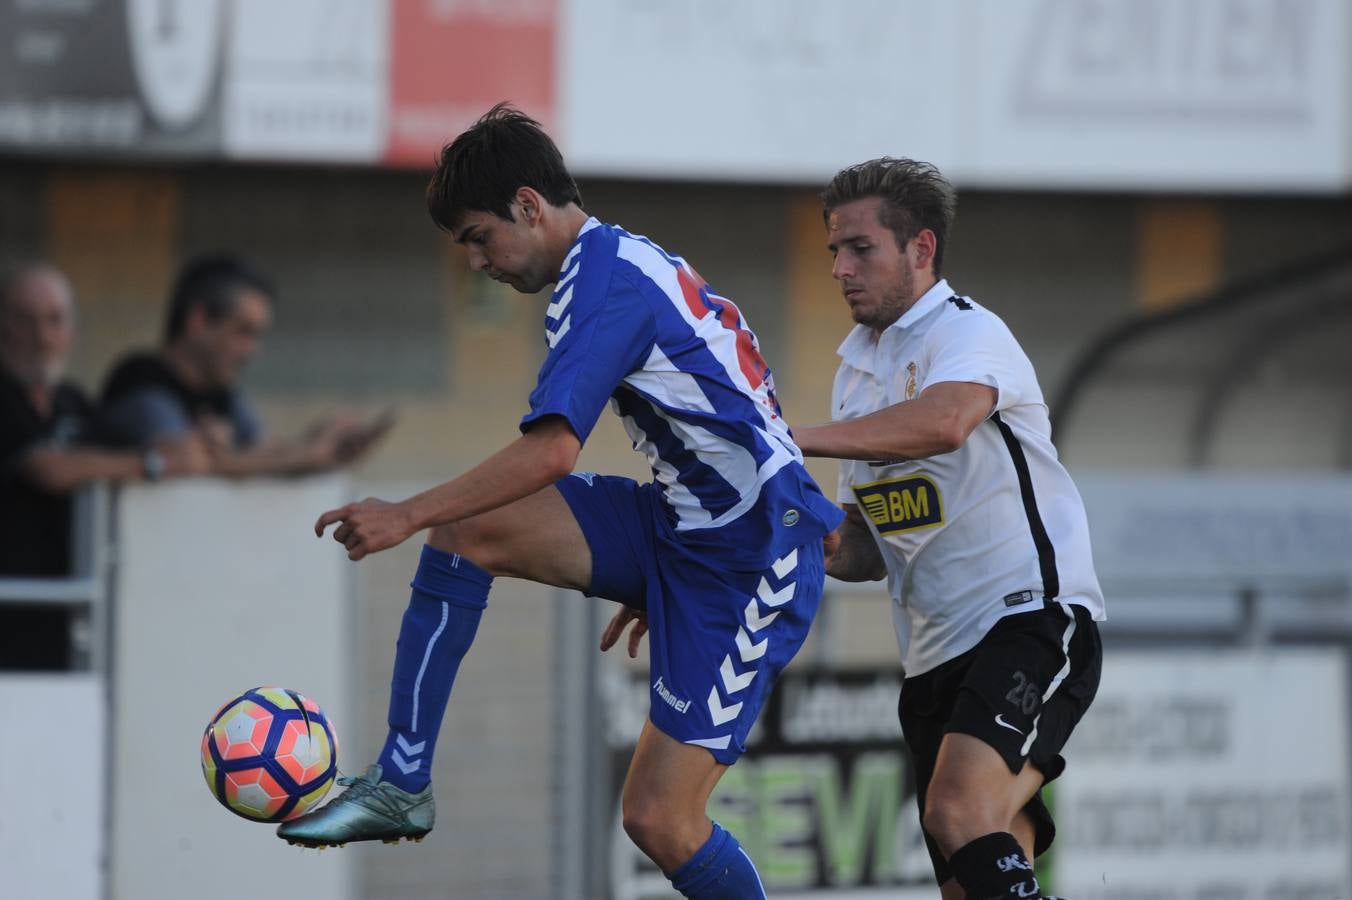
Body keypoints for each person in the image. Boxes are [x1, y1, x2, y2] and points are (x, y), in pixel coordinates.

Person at [277, 104, 842, 900]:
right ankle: (402, 780)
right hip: (685, 527)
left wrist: (403, 513)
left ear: (528, 206)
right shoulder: (613, 262)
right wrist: (658, 573)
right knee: (469, 526)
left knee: (659, 820)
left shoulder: (604, 283)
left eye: (478, 237)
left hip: (748, 562)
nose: (476, 262)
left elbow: (551, 451)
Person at [789, 158, 1105, 900]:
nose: (840, 267)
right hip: (932, 659)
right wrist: (782, 526)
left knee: (957, 809)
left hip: (1028, 620)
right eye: (833, 250)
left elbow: (948, 420)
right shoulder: (855, 373)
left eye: (860, 248)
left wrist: (785, 435)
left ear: (921, 249)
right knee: (974, 871)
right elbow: (863, 548)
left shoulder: (966, 332)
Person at [0, 263, 209, 667]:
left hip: (69, 616)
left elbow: (110, 458)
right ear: (4, 327)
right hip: (11, 610)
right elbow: (50, 469)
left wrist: (192, 442)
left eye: (54, 321)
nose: (42, 337)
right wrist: (155, 463)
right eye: (25, 320)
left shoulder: (74, 401)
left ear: (71, 332)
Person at [97, 256, 389, 477]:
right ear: (198, 321)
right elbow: (195, 463)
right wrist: (313, 453)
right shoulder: (141, 382)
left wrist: (320, 438)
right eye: (243, 332)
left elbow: (263, 452)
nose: (252, 350)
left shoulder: (222, 393)